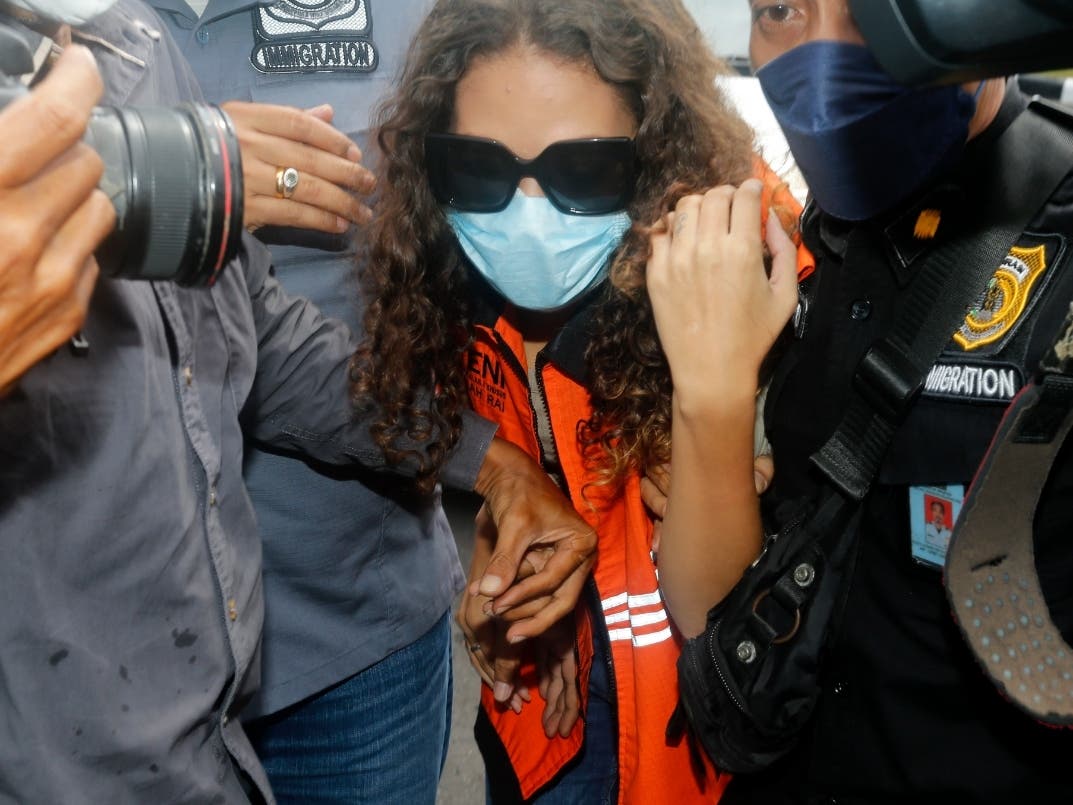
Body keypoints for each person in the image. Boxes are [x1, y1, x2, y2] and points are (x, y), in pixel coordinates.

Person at [0, 1, 596, 801]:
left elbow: (258, 332)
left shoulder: (132, 49)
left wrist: (494, 462)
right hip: (76, 726)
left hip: (320, 645)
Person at [351, 1, 808, 801]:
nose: (527, 213)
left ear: (655, 154)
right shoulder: (440, 268)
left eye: (584, 170)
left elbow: (716, 600)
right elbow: (460, 417)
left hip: (697, 741)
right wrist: (512, 557)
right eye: (481, 169)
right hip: (544, 720)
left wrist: (710, 398)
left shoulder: (744, 274)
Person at [660, 1, 1073, 801]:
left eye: (865, 10)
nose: (819, 62)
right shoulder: (788, 233)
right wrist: (708, 393)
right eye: (778, 10)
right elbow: (712, 614)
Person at [149, 3, 460, 802]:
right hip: (117, 659)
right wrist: (160, 173)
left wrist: (500, 462)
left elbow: (489, 257)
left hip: (351, 635)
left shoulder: (417, 15)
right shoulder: (58, 28)